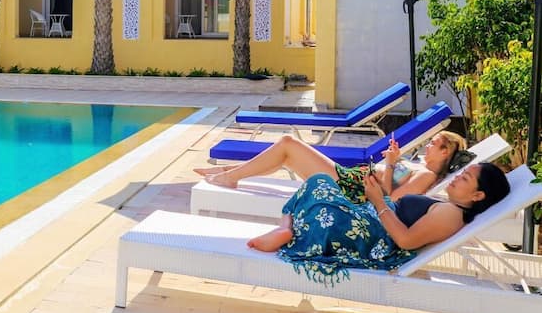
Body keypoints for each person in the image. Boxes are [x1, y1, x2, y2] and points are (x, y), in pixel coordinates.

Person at [246, 162, 511, 284]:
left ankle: (288, 228)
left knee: (322, 197)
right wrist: (377, 195)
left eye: (465, 179)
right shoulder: (449, 208)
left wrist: (378, 201)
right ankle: (286, 228)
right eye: (462, 173)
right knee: (319, 181)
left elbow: (406, 240)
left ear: (478, 196)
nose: (457, 178)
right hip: (374, 219)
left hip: (373, 236)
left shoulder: (451, 214)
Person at [194, 131, 472, 203]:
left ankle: (229, 175)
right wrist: (393, 163)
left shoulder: (425, 175)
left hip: (349, 189)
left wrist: (390, 165)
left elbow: (389, 201)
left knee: (288, 143)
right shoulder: (422, 168)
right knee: (287, 156)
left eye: (433, 144)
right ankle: (228, 173)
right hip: (350, 179)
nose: (427, 146)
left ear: (445, 152)